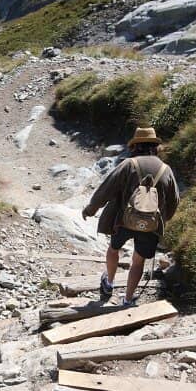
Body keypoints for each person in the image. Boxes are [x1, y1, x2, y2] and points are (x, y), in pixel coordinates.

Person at [82, 127, 180, 306]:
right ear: (155, 147)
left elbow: (106, 189)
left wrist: (91, 209)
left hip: (123, 220)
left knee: (113, 249)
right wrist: (162, 219)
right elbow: (174, 201)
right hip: (150, 224)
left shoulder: (129, 164)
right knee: (138, 260)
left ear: (135, 146)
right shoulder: (166, 170)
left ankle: (109, 283)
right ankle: (127, 299)